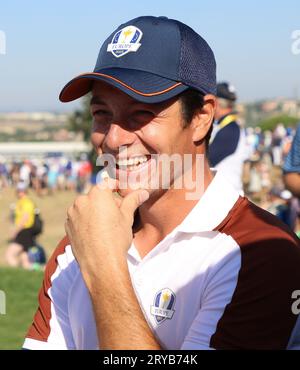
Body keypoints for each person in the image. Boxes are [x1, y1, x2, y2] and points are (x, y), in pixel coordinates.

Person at [24, 16, 300, 350]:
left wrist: (104, 270)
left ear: (200, 118)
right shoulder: (77, 244)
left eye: (140, 114)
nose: (113, 139)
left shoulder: (261, 250)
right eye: (102, 114)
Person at [209, 82, 248, 192]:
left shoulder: (230, 130)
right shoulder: (226, 126)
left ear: (215, 102)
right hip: (224, 195)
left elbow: (205, 161)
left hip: (225, 198)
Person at [6, 182, 36, 269]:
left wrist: (15, 231)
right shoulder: (20, 202)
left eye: (21, 191)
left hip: (24, 232)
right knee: (25, 260)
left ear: (25, 191)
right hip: (24, 232)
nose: (19, 193)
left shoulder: (27, 202)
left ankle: (16, 273)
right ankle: (39, 271)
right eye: (18, 191)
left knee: (9, 255)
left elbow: (25, 219)